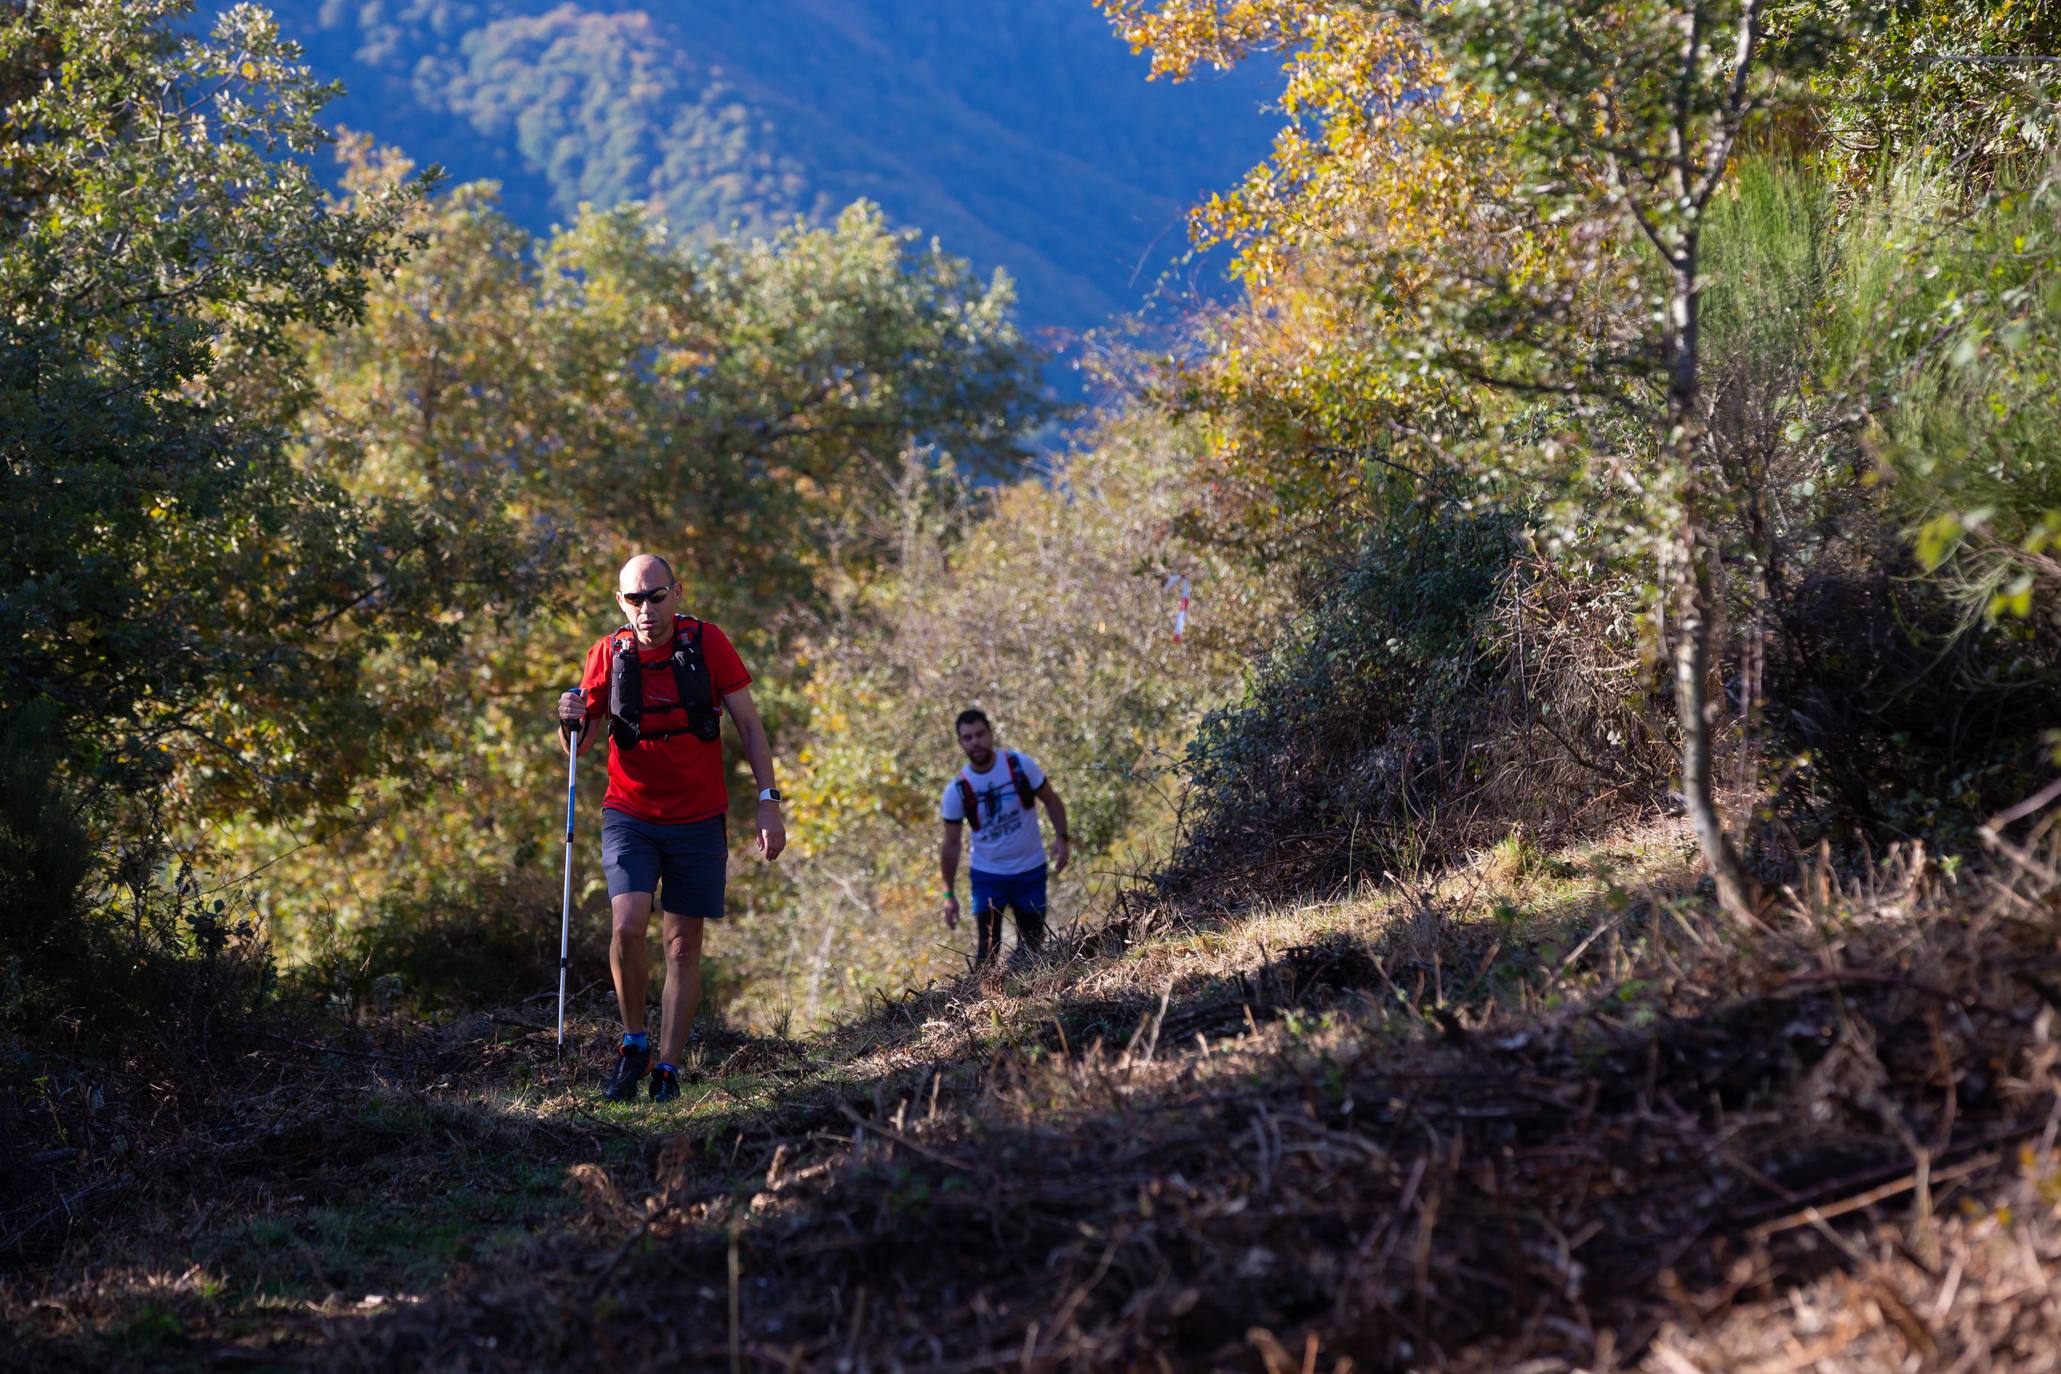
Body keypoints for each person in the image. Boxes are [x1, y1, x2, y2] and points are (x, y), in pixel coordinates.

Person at [557, 555, 785, 1103]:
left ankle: (667, 1069)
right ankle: (633, 1042)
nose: (646, 609)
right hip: (630, 814)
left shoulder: (708, 644)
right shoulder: (606, 655)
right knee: (627, 926)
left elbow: (749, 726)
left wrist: (768, 800)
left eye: (655, 596)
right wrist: (567, 718)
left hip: (699, 816)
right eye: (634, 599)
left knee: (682, 946)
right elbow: (579, 747)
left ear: (676, 593)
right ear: (620, 602)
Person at [938, 709, 1068, 967]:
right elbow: (951, 845)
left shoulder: (1019, 766)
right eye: (968, 737)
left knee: (1031, 946)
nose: (975, 742)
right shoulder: (957, 790)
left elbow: (1051, 800)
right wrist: (948, 895)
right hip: (988, 876)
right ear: (960, 743)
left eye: (979, 734)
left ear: (990, 733)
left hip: (1030, 870)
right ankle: (980, 1002)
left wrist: (1063, 838)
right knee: (988, 951)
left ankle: (1028, 1001)